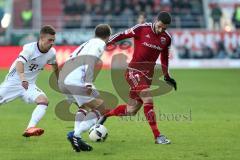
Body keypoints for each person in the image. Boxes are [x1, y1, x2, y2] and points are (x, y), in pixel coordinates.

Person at [98, 11, 177, 144]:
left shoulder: (166, 38)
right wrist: (104, 43)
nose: (161, 30)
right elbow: (122, 35)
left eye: (164, 28)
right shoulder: (141, 29)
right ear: (156, 20)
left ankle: (105, 114)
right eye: (160, 26)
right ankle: (158, 136)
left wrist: (167, 76)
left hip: (147, 76)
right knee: (147, 96)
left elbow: (164, 58)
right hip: (133, 71)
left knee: (131, 110)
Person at [58, 24, 112, 152]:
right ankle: (75, 135)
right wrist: (88, 82)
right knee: (101, 108)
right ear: (108, 36)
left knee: (84, 107)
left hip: (63, 79)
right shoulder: (99, 44)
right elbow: (90, 59)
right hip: (76, 80)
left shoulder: (88, 42)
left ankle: (77, 139)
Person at [0, 25, 57, 137]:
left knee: (43, 101)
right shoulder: (29, 49)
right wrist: (22, 78)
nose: (52, 43)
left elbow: (54, 65)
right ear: (41, 38)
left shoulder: (52, 52)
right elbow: (19, 62)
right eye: (49, 40)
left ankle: (30, 128)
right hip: (14, 82)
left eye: (53, 40)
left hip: (29, 85)